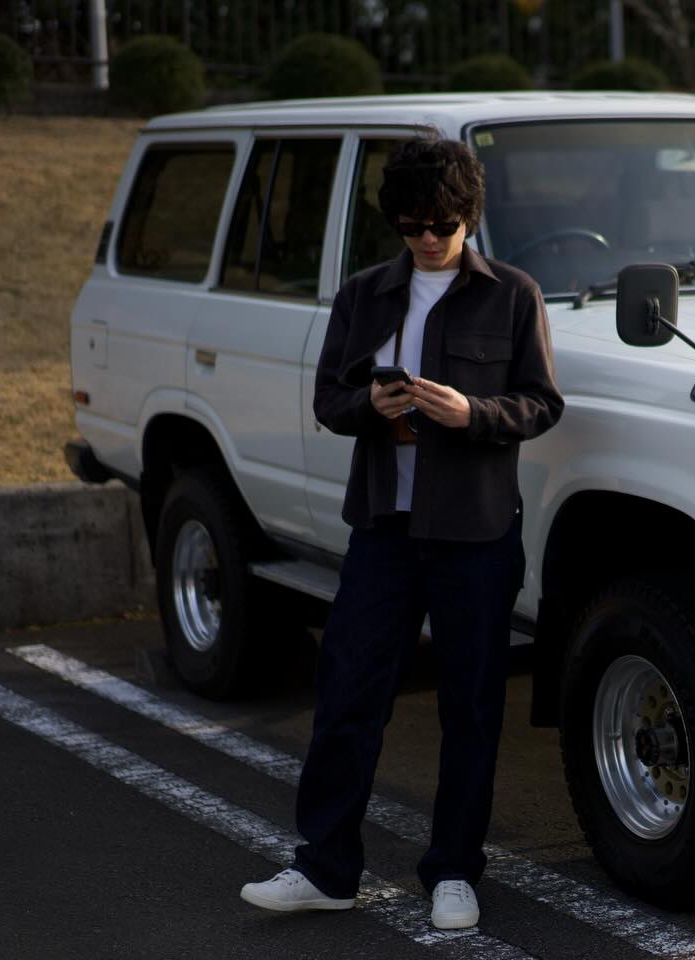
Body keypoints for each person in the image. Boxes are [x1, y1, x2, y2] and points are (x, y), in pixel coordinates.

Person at [239, 135, 563, 930]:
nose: (427, 238)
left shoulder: (513, 295)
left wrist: (471, 411)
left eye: (442, 225)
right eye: (412, 224)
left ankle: (453, 872)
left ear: (469, 217)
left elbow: (541, 403)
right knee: (348, 697)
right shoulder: (364, 294)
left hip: (476, 534)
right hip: (384, 527)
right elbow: (329, 398)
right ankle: (325, 868)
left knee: (470, 709)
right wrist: (370, 407)